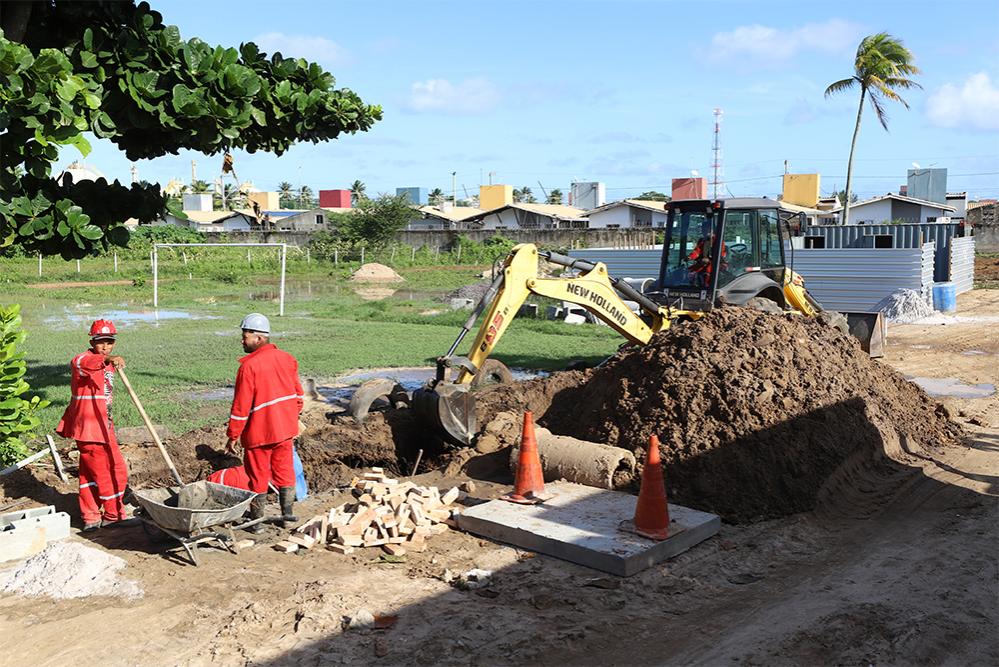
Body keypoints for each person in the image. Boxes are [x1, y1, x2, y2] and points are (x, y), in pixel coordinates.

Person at [226, 313, 304, 532]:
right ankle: (287, 517)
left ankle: (257, 523)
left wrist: (232, 436)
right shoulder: (287, 358)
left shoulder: (248, 367)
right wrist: (289, 418)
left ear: (258, 338)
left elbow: (241, 409)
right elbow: (298, 397)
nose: (242, 340)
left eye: (245, 335)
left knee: (257, 476)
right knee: (284, 471)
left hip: (259, 434)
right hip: (285, 430)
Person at [56, 319, 128, 531]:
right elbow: (84, 363)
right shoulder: (82, 360)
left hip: (103, 426)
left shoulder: (107, 364)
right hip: (88, 429)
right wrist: (108, 359)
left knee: (90, 473)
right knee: (108, 471)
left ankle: (90, 516)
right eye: (100, 342)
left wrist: (109, 361)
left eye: (109, 342)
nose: (105, 346)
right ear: (92, 341)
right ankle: (114, 515)